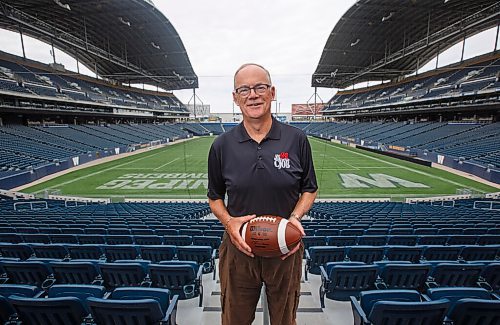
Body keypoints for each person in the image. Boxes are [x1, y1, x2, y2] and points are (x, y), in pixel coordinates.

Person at [207, 63, 318, 325]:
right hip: (238, 250)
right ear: (235, 98)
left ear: (272, 92)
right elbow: (214, 197)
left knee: (285, 320)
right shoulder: (221, 145)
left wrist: (295, 217)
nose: (253, 95)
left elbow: (309, 188)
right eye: (244, 89)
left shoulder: (296, 139)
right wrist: (229, 222)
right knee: (234, 320)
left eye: (260, 87)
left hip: (285, 250)